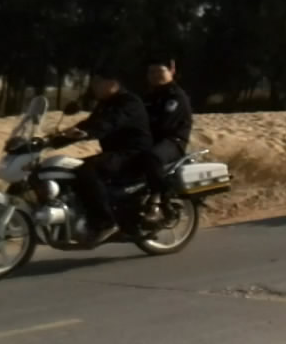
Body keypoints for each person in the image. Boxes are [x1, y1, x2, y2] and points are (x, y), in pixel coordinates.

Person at [60, 66, 153, 245]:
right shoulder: (105, 103)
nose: (93, 86)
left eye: (98, 82)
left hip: (132, 154)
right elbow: (90, 123)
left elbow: (110, 123)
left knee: (87, 170)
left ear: (112, 83)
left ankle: (105, 223)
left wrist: (88, 133)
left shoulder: (129, 102)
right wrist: (55, 139)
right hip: (114, 153)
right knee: (68, 168)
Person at [141, 56, 193, 224]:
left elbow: (164, 124)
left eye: (159, 71)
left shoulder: (176, 96)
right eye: (151, 72)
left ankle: (159, 200)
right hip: (150, 141)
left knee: (152, 157)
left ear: (172, 70)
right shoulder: (148, 97)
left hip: (172, 141)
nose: (154, 75)